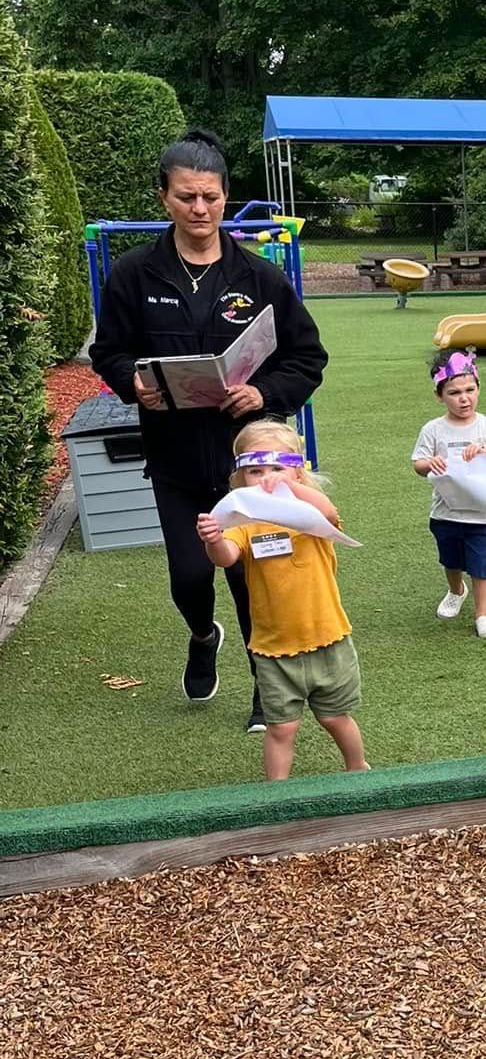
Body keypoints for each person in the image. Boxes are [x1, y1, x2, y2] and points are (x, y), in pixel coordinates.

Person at [89, 128, 328, 733]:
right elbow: (109, 352)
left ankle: (264, 687)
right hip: (172, 460)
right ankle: (202, 633)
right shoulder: (134, 276)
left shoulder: (259, 278)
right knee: (190, 578)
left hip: (247, 463)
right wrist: (130, 382)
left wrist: (264, 393)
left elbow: (307, 358)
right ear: (164, 197)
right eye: (187, 197)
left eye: (211, 198)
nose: (200, 209)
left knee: (255, 580)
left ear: (225, 198)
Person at [195, 422, 365, 782]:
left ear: (298, 472)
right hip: (273, 650)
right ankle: (277, 794)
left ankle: (357, 767)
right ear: (241, 478)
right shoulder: (243, 523)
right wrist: (212, 538)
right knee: (280, 728)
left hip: (327, 639)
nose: (267, 478)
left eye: (278, 469)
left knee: (334, 717)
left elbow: (330, 512)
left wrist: (296, 489)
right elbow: (225, 557)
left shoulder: (310, 518)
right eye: (255, 471)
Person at [411, 348, 486, 638]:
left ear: (478, 389)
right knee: (451, 560)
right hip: (446, 512)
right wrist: (428, 463)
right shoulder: (433, 430)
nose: (464, 398)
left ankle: (483, 615)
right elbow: (418, 463)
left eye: (470, 389)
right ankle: (456, 590)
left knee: (482, 566)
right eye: (454, 392)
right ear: (439, 396)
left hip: (482, 513)